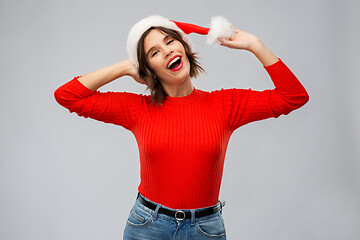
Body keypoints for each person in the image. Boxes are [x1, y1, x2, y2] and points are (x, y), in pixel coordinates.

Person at [54, 15, 309, 240]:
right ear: (148, 68)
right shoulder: (138, 109)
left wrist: (255, 45)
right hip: (147, 226)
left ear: (184, 47)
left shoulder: (225, 105)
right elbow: (67, 96)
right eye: (153, 53)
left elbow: (293, 97)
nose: (166, 51)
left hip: (205, 230)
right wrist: (125, 67)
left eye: (169, 42)